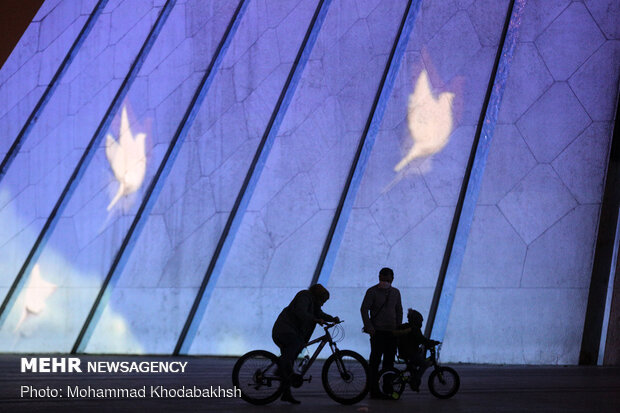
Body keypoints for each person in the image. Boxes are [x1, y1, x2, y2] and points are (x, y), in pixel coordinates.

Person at [272, 284, 339, 404]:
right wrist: (315, 320)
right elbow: (301, 311)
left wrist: (332, 319)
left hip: (292, 332)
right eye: (323, 300)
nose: (323, 304)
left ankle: (286, 393)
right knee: (293, 350)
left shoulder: (314, 303)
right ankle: (279, 367)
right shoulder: (304, 296)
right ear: (318, 296)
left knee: (289, 364)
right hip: (284, 330)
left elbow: (319, 314)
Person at [360, 267, 403, 398]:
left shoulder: (396, 292)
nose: (384, 282)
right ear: (379, 278)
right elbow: (364, 309)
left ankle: (387, 387)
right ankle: (373, 389)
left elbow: (399, 310)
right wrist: (369, 327)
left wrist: (398, 328)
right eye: (382, 279)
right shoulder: (372, 291)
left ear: (392, 279)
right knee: (375, 361)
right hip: (377, 332)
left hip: (391, 332)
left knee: (389, 362)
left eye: (387, 279)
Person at [393, 308, 440, 391]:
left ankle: (413, 378)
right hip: (411, 353)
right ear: (416, 320)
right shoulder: (414, 329)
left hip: (405, 352)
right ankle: (415, 380)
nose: (421, 323)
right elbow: (421, 340)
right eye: (420, 321)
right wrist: (432, 342)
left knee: (413, 367)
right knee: (424, 364)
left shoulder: (408, 327)